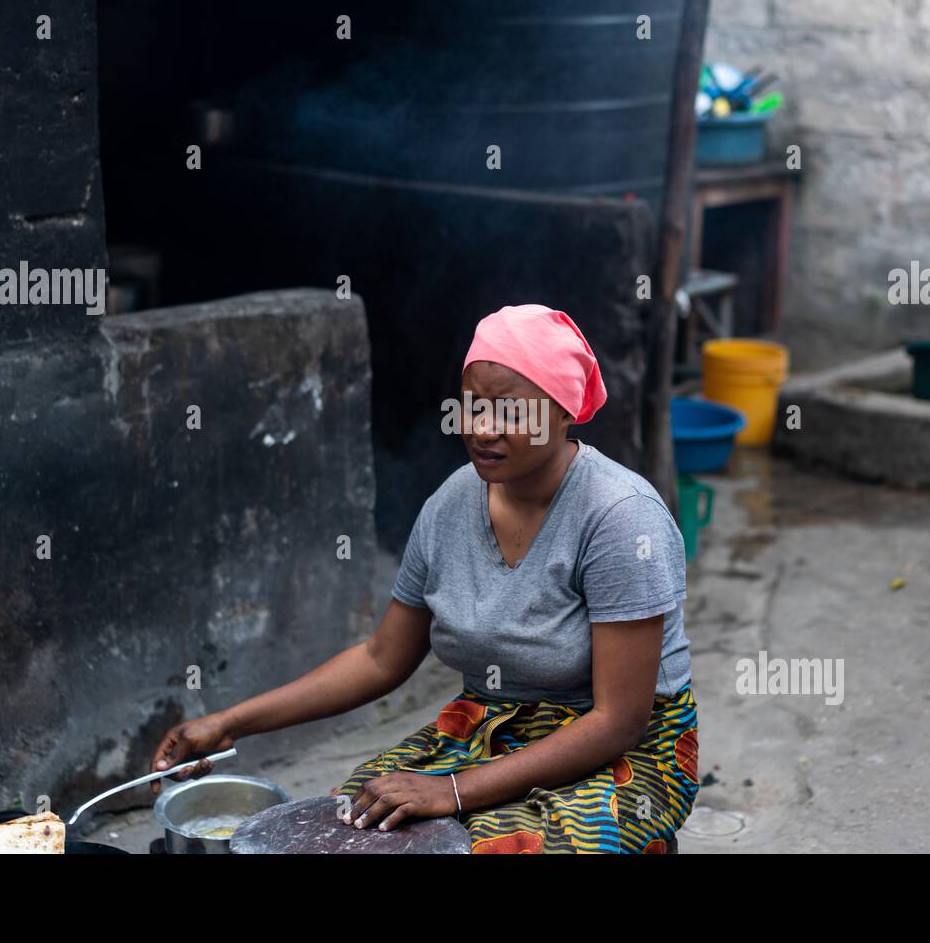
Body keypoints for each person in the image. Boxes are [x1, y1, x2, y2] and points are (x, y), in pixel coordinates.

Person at [150, 304, 698, 853]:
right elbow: (380, 658)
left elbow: (619, 720)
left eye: (511, 412)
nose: (482, 429)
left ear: (563, 413)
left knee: (485, 846)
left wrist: (453, 792)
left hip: (627, 752)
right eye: (473, 406)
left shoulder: (619, 517)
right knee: (343, 826)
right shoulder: (452, 504)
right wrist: (231, 723)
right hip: (489, 727)